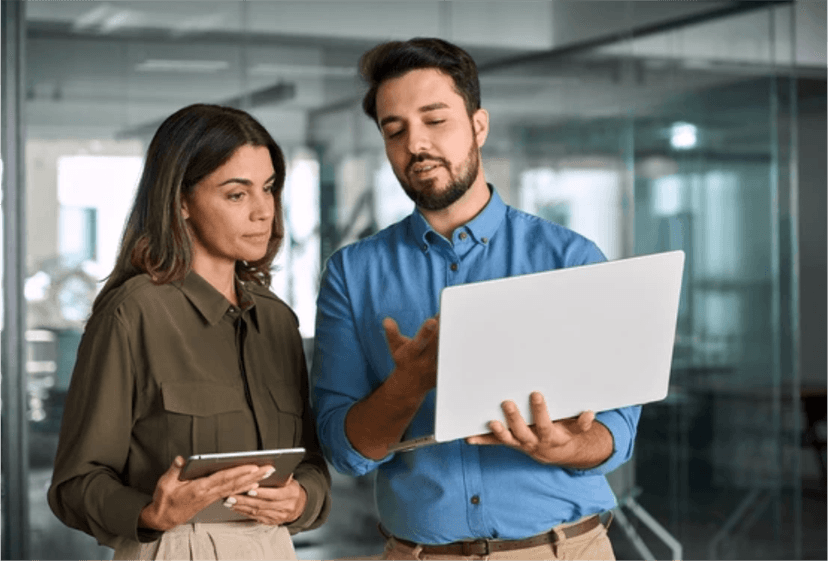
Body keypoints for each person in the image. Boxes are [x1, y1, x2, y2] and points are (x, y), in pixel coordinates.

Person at [311, 38, 640, 560]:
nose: (415, 144)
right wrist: (409, 383)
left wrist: (566, 446)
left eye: (435, 120)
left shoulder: (570, 257)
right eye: (394, 130)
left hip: (560, 550)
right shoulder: (352, 274)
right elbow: (346, 452)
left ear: (479, 126)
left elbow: (616, 430)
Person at [48, 103, 331, 560]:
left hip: (276, 548)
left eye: (269, 188)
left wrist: (303, 500)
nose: (263, 211)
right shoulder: (134, 314)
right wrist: (150, 512)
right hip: (176, 547)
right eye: (237, 195)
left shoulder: (278, 320)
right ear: (181, 202)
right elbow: (74, 484)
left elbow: (310, 461)